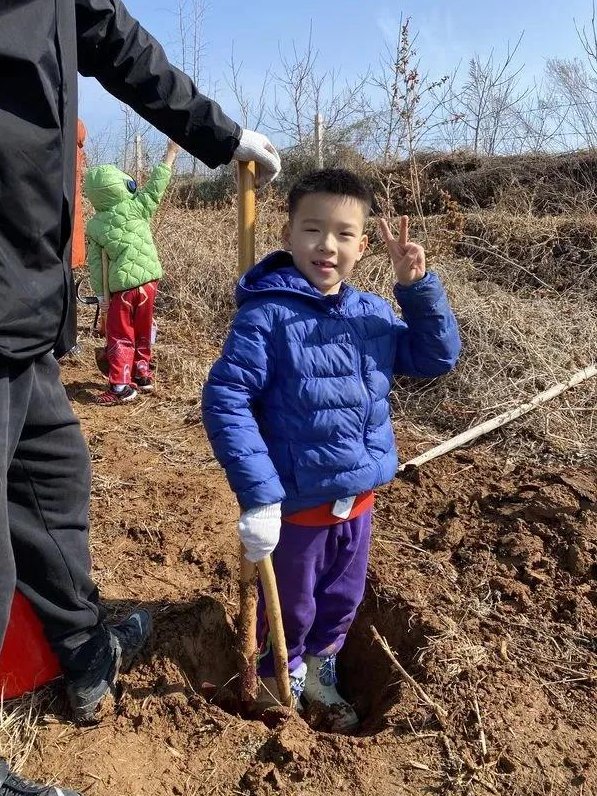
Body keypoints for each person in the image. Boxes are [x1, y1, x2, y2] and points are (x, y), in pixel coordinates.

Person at [0, 0, 280, 792]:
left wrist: (218, 135)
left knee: (52, 476)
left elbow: (113, 39)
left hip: (23, 297)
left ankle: (83, 645)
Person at [202, 169, 461, 732]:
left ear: (363, 245)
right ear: (288, 234)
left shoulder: (370, 313)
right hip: (296, 509)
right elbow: (226, 399)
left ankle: (322, 672)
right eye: (313, 230)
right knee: (290, 608)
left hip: (359, 503)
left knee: (342, 599)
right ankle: (281, 676)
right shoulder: (265, 316)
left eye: (344, 234)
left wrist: (417, 288)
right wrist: (259, 496)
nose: (327, 245)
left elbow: (433, 358)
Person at [85, 139, 181, 404]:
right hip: (150, 280)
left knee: (119, 334)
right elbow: (155, 188)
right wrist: (169, 155)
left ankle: (120, 387)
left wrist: (102, 299)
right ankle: (143, 373)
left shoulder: (95, 226)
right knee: (143, 327)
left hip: (123, 288)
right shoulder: (137, 206)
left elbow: (97, 265)